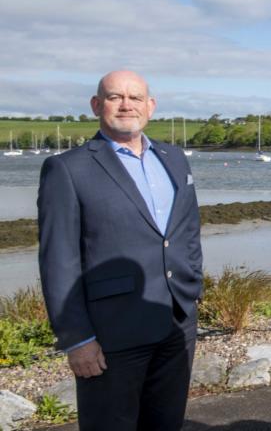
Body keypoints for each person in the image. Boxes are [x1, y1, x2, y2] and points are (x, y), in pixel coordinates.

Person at [38, 70, 203, 430]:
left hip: (176, 324)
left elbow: (188, 230)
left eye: (136, 97)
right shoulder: (67, 169)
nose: (126, 105)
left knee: (166, 424)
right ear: (97, 105)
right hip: (110, 333)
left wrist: (193, 289)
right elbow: (58, 261)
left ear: (151, 106)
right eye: (115, 97)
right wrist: (77, 339)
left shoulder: (175, 159)